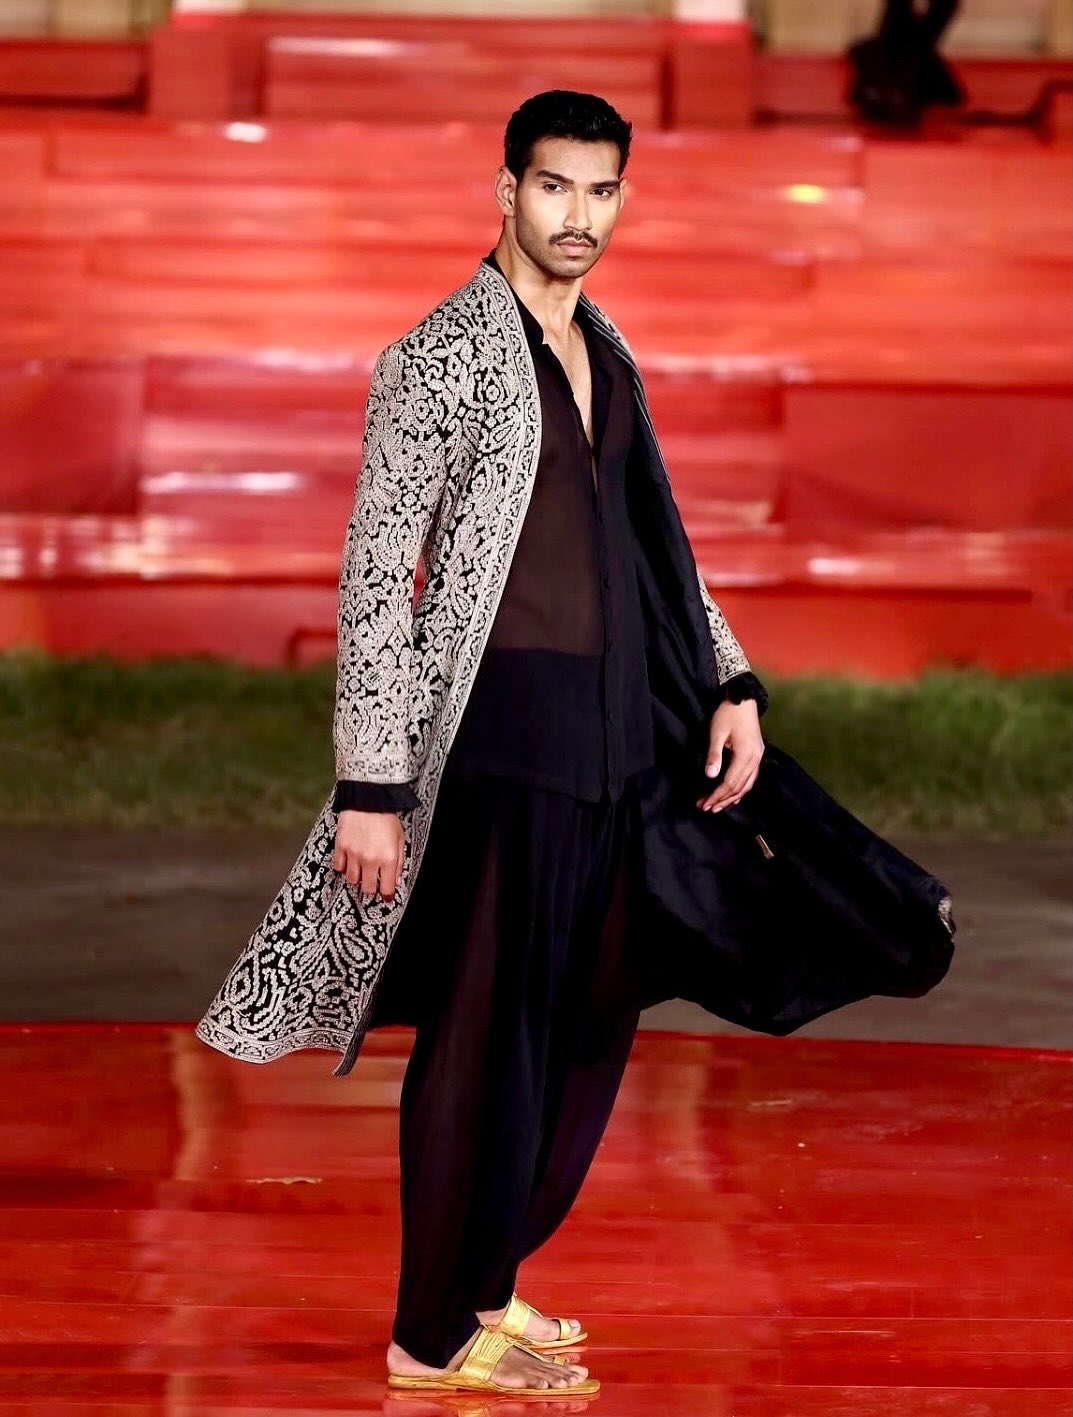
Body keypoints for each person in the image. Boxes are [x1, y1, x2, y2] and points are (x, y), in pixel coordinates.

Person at [196, 88, 954, 1400]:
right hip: (501, 746)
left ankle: (487, 1281)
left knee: (591, 1017)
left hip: (620, 737)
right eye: (554, 187)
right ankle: (432, 1332)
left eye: (601, 191)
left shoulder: (607, 348)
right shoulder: (435, 356)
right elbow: (377, 578)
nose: (578, 216)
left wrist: (728, 677)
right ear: (506, 191)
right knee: (487, 1029)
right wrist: (372, 784)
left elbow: (651, 547)